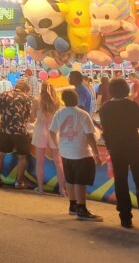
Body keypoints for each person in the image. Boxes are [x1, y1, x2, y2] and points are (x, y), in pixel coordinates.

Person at [98, 77, 139, 230]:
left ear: (111, 91)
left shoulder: (105, 108)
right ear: (126, 89)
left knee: (120, 181)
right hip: (133, 146)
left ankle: (125, 217)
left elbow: (105, 131)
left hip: (116, 148)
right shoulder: (131, 105)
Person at [49, 89, 103, 221]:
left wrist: (57, 146)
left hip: (65, 152)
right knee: (80, 182)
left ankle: (72, 205)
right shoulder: (83, 114)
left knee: (70, 180)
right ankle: (82, 209)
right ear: (77, 99)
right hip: (81, 153)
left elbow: (52, 131)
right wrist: (96, 154)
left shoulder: (59, 113)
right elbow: (90, 136)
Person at [0, 80, 31, 188]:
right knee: (22, 157)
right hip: (19, 131)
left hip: (5, 130)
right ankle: (19, 182)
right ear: (26, 90)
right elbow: (30, 117)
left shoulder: (4, 95)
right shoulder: (26, 98)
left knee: (1, 154)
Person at [31, 82, 66, 196]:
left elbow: (32, 118)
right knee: (58, 161)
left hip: (40, 130)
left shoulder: (36, 100)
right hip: (54, 131)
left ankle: (40, 188)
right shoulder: (57, 102)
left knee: (40, 162)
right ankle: (62, 189)